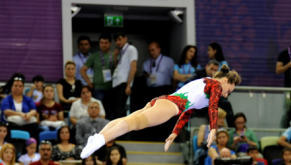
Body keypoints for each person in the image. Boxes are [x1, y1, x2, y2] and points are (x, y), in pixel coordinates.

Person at [81, 65, 241, 157]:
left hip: (165, 101)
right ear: (225, 81)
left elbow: (188, 111)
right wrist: (213, 128)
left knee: (131, 118)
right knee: (134, 123)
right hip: (172, 105)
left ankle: (98, 136)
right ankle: (100, 141)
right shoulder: (216, 85)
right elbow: (213, 106)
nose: (226, 94)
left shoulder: (207, 86)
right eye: (229, 90)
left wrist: (174, 133)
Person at [81, 34, 115, 120]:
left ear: (110, 43)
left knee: (111, 112)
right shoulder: (94, 56)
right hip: (98, 88)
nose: (104, 44)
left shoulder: (114, 55)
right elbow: (82, 70)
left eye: (106, 42)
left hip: (112, 88)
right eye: (102, 42)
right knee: (98, 112)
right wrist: (89, 83)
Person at [110, 33, 139, 119]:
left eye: (119, 39)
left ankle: (124, 132)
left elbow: (133, 68)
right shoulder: (121, 51)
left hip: (124, 84)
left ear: (125, 38)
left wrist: (128, 86)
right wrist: (115, 57)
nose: (118, 42)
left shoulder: (131, 49)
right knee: (116, 110)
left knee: (121, 111)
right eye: (116, 41)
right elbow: (118, 68)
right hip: (117, 83)